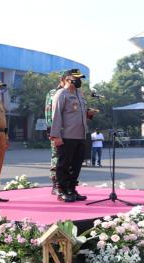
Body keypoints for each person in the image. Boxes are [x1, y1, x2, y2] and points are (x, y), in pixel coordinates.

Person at [50, 69, 96, 202]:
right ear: (68, 78)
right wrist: (56, 135)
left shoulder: (79, 95)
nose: (79, 80)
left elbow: (77, 114)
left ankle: (72, 189)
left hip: (80, 135)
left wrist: (89, 114)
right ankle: (62, 190)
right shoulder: (61, 94)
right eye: (76, 78)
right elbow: (56, 115)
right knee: (64, 164)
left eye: (80, 78)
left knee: (76, 165)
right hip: (66, 135)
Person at [45, 71, 65, 195]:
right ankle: (56, 185)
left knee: (69, 160)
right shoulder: (53, 93)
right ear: (62, 79)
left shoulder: (75, 94)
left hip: (72, 133)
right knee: (57, 158)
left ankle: (67, 185)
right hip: (58, 131)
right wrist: (54, 132)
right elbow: (49, 115)